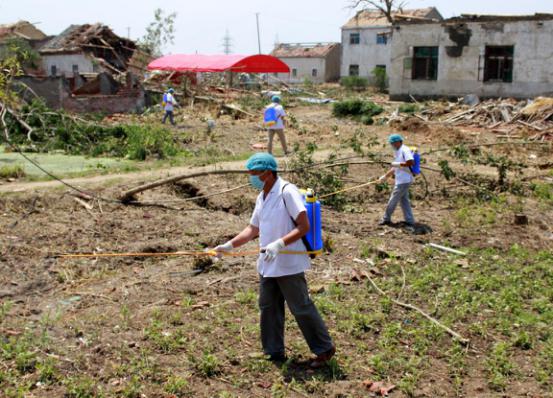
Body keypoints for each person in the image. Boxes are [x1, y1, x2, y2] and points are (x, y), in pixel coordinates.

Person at [213, 153, 335, 367]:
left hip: (288, 262)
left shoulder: (287, 192)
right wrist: (229, 246)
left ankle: (324, 349)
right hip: (268, 262)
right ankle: (273, 351)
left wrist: (279, 243)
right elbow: (253, 229)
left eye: (254, 174)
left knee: (300, 307)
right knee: (268, 306)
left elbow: (303, 226)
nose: (252, 178)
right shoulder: (262, 196)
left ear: (267, 173)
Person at [378, 134, 416, 226]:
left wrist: (398, 164)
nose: (392, 145)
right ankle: (410, 220)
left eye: (393, 143)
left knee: (393, 200)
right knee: (404, 201)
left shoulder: (405, 150)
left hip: (404, 180)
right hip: (402, 180)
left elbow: (411, 162)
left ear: (398, 142)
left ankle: (386, 219)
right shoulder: (398, 151)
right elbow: (395, 167)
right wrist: (385, 176)